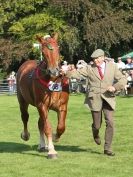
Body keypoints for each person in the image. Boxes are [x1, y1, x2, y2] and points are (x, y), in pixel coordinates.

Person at [62, 49, 127, 156]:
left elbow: (123, 79)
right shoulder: (89, 68)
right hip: (94, 97)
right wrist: (66, 72)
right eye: (94, 59)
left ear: (103, 57)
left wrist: (114, 87)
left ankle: (108, 148)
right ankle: (95, 133)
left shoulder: (112, 67)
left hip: (108, 97)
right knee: (97, 125)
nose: (95, 61)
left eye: (97, 58)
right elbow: (77, 73)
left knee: (110, 122)